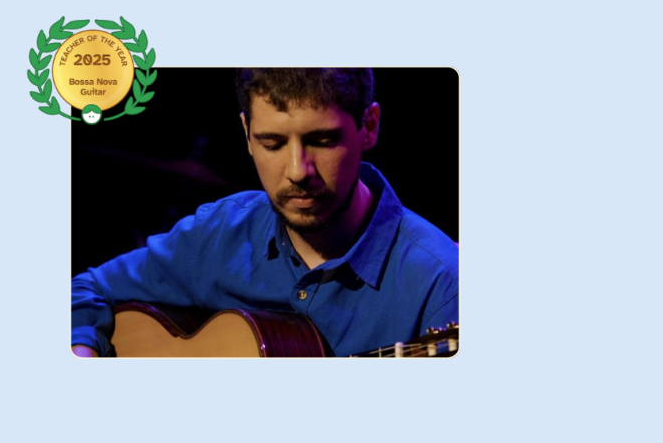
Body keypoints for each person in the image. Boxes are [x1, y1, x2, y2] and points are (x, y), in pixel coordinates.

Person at [72, 68, 459, 357]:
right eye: (272, 143)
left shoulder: (442, 284)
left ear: (369, 127)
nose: (298, 171)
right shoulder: (221, 232)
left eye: (323, 141)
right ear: (246, 133)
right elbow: (86, 290)